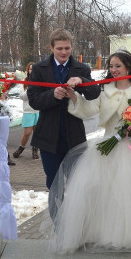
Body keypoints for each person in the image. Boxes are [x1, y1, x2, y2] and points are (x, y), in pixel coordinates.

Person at [49, 50, 131, 254]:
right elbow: (88, 109)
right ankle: (102, 233)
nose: (114, 70)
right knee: (100, 190)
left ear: (129, 67)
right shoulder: (105, 89)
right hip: (108, 145)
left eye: (118, 66)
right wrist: (73, 96)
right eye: (111, 66)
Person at [27, 28, 100, 193]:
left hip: (74, 136)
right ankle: (57, 219)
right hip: (48, 137)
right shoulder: (39, 69)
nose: (64, 52)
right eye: (59, 48)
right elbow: (33, 100)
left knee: (77, 185)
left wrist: (82, 80)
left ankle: (76, 219)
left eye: (67, 48)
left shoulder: (81, 68)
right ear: (51, 48)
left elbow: (94, 93)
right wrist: (52, 95)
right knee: (55, 186)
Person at [12, 62, 40, 160]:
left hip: (38, 110)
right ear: (28, 70)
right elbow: (22, 97)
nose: (32, 71)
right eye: (30, 69)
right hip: (28, 111)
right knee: (27, 132)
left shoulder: (40, 81)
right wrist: (30, 89)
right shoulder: (24, 82)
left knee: (37, 132)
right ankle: (21, 148)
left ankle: (35, 150)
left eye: (34, 69)